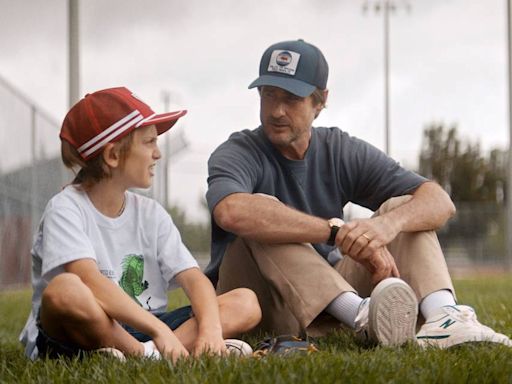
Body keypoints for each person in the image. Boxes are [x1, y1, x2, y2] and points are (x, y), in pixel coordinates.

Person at [204, 39, 512, 348]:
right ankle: (363, 317)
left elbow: (438, 201)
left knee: (403, 206)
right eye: (268, 95)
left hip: (326, 301)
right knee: (261, 211)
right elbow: (231, 211)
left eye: (291, 98)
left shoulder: (338, 149)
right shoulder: (238, 151)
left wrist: (383, 227)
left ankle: (443, 317)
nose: (277, 110)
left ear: (320, 101)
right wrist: (335, 232)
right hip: (256, 305)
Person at [19, 87, 261, 361]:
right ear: (112, 156)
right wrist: (160, 330)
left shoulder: (151, 213)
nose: (158, 154)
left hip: (147, 327)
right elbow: (90, 281)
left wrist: (211, 330)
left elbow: (194, 280)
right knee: (65, 290)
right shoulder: (65, 208)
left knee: (246, 302)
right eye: (149, 142)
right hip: (85, 326)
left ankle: (145, 354)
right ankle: (157, 352)